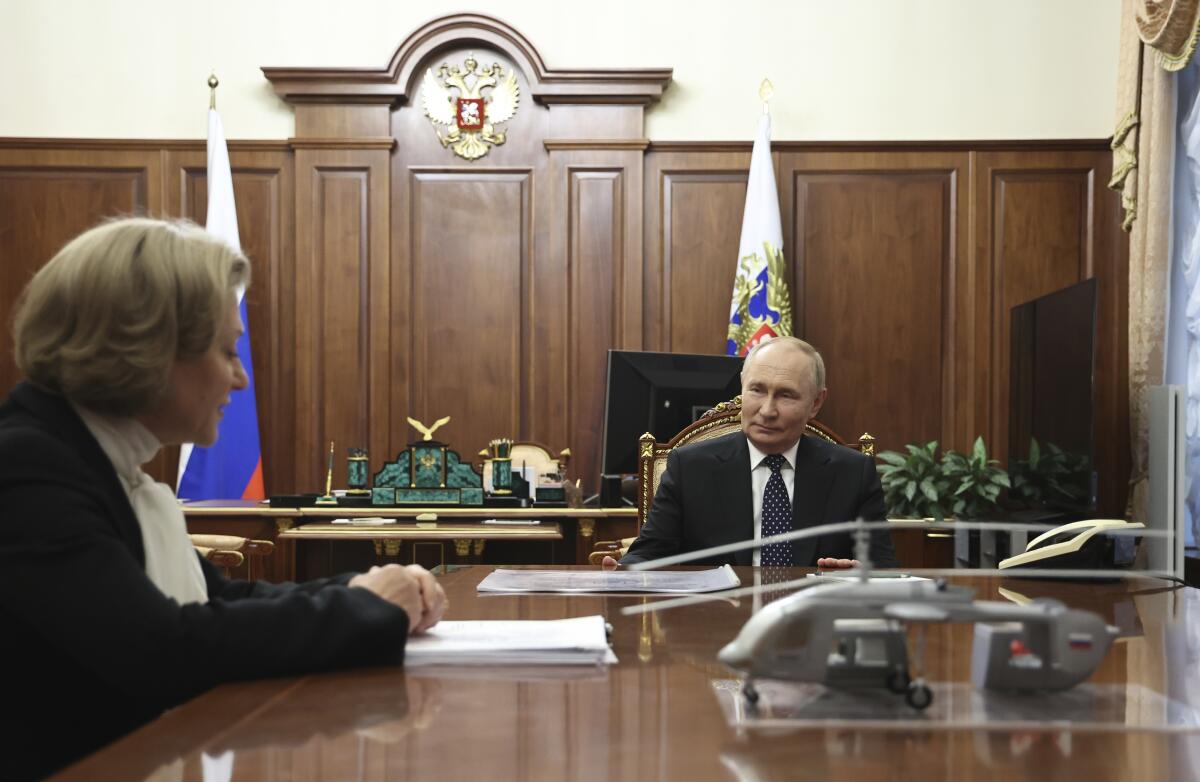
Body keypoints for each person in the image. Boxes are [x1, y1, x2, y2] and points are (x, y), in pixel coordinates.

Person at [0, 217, 447, 780]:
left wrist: (362, 588)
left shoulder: (92, 461)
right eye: (226, 351)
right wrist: (365, 610)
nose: (239, 379)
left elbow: (223, 599)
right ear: (150, 350)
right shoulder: (26, 469)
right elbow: (160, 650)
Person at [616, 336, 897, 568]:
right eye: (757, 390)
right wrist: (621, 574)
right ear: (742, 386)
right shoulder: (690, 467)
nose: (767, 410)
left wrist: (863, 575)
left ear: (815, 403)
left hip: (814, 624)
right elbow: (648, 554)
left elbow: (883, 569)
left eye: (786, 395)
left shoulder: (853, 473)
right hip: (714, 624)